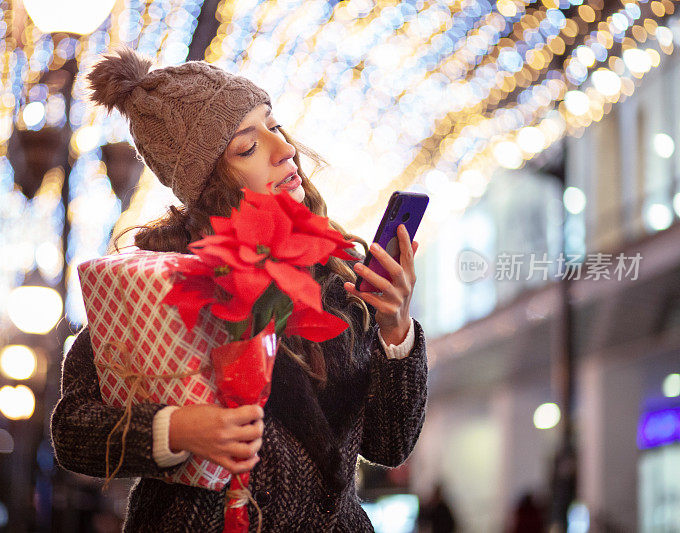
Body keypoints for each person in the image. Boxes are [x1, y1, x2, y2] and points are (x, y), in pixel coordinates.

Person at [50, 47, 428, 532]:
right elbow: (73, 429)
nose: (284, 149)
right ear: (208, 185)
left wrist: (396, 332)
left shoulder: (341, 273)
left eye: (275, 127)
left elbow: (389, 444)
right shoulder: (162, 280)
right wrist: (178, 430)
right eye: (247, 146)